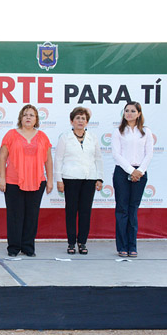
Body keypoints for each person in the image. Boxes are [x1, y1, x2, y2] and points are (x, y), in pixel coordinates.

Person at [0, 104, 53, 257]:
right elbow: (2, 157)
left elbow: (48, 160)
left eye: (32, 115)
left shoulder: (42, 136)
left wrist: (50, 180)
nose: (28, 117)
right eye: (25, 114)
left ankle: (28, 247)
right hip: (13, 181)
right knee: (15, 215)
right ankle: (14, 248)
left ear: (36, 119)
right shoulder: (11, 135)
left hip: (37, 181)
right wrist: (2, 178)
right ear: (20, 118)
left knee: (32, 215)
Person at [54, 107, 103, 255]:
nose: (80, 121)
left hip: (89, 179)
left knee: (85, 212)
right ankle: (71, 243)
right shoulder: (65, 137)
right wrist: (59, 180)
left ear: (87, 121)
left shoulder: (93, 137)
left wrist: (99, 178)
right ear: (72, 121)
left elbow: (98, 158)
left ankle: (82, 242)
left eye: (83, 118)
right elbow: (58, 159)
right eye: (77, 118)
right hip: (70, 178)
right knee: (71, 211)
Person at [112, 101, 153, 258]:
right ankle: (122, 246)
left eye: (133, 111)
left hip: (141, 173)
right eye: (126, 110)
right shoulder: (118, 132)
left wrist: (140, 171)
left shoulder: (146, 132)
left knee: (133, 209)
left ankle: (132, 246)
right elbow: (116, 154)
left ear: (139, 113)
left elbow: (149, 153)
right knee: (122, 209)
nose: (129, 113)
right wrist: (131, 170)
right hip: (122, 172)